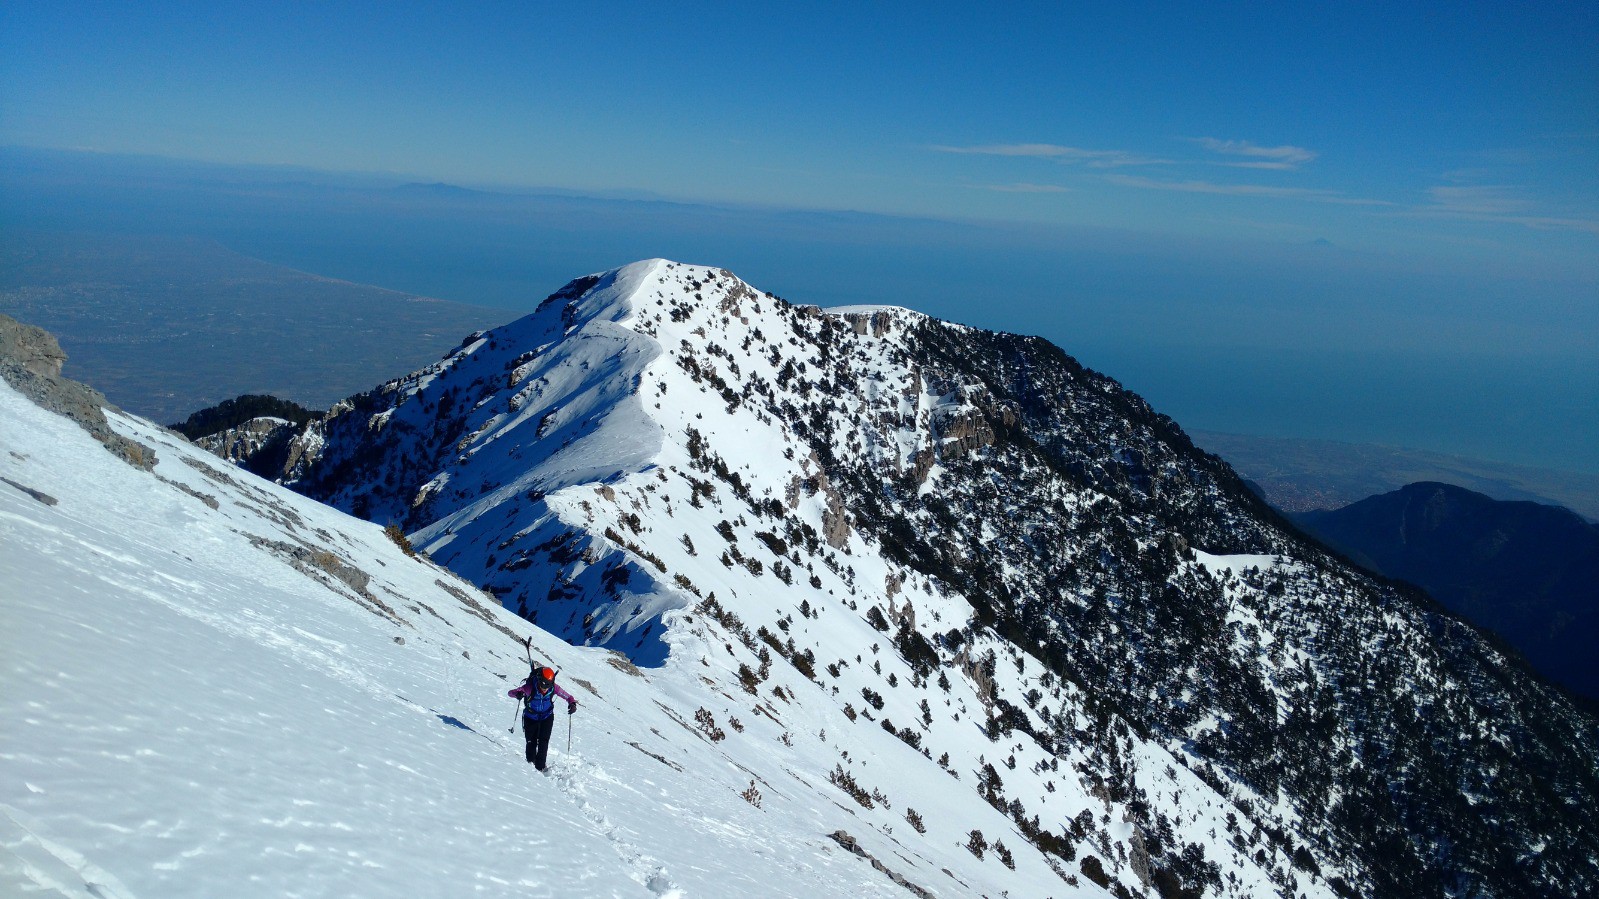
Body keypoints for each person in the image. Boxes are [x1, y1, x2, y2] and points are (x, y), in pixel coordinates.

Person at [508, 666, 577, 771]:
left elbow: (568, 696)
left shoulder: (554, 688)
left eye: (547, 685)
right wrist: (518, 693)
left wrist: (572, 703)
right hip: (530, 717)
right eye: (543, 684)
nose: (544, 688)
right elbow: (511, 693)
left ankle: (540, 767)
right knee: (531, 742)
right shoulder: (530, 687)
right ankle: (530, 767)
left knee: (543, 742)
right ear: (539, 680)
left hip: (546, 717)